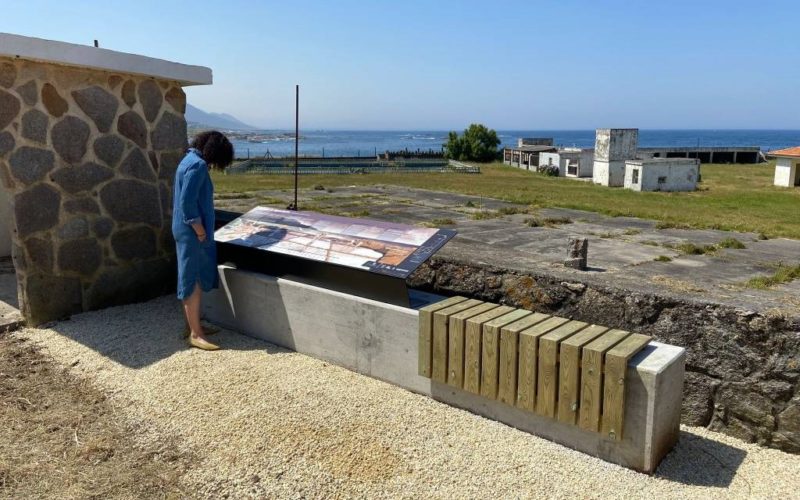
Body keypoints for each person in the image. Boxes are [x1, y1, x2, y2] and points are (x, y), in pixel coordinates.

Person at [173, 130, 234, 350]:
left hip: (183, 229)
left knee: (188, 275)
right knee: (193, 280)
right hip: (192, 231)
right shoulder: (198, 166)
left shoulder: (188, 159)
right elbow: (187, 204)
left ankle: (192, 325)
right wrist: (200, 231)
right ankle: (196, 334)